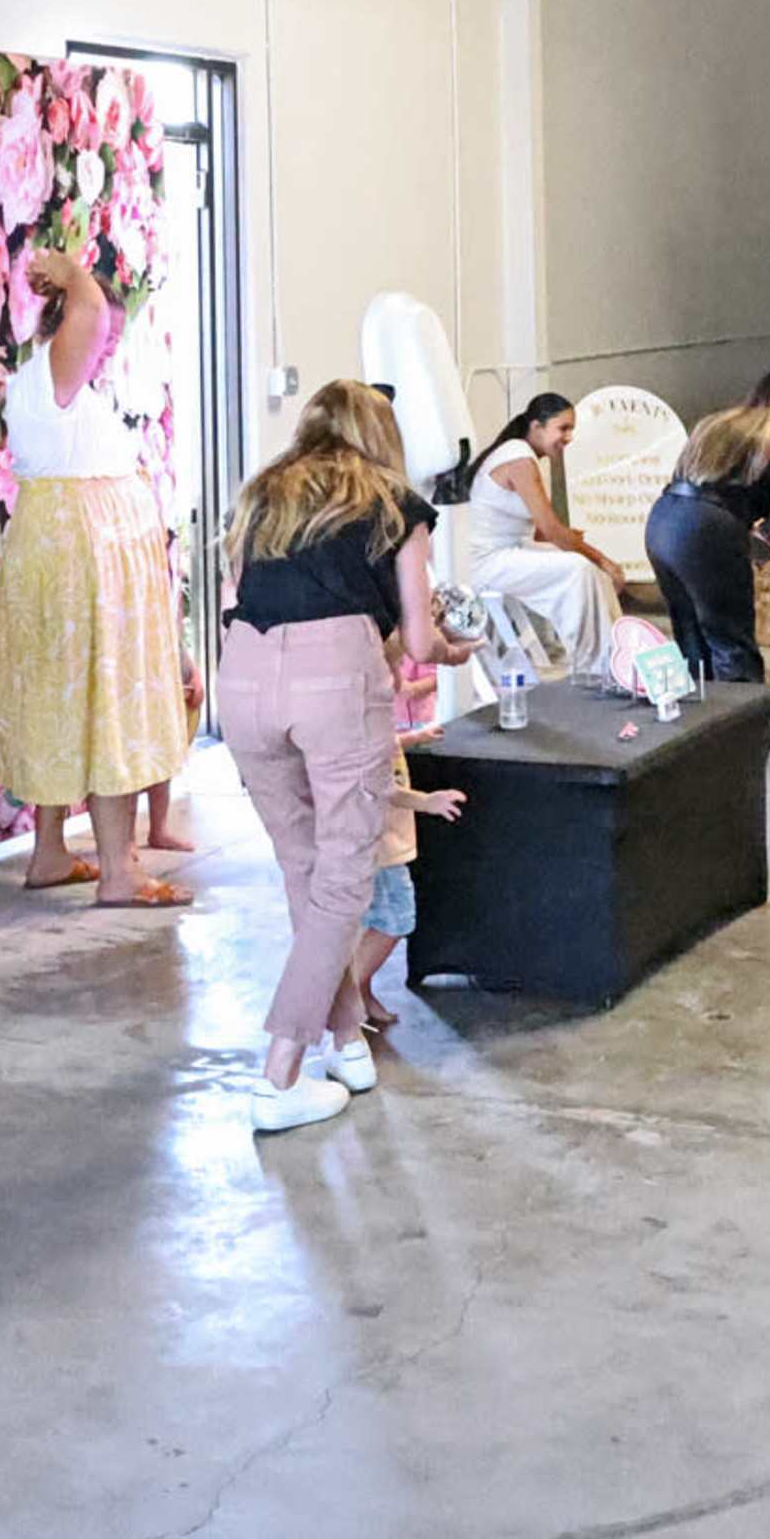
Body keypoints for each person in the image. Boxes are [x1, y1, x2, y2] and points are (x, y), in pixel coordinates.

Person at [214, 382, 472, 1133]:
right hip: (335, 678)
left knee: (304, 870)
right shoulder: (395, 503)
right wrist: (456, 647)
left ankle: (344, 1040)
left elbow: (243, 593)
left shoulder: (262, 495)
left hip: (244, 674)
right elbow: (420, 643)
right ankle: (279, 1073)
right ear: (379, 434)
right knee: (342, 883)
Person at [0, 245, 191, 905]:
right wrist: (64, 271)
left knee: (62, 696)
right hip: (82, 555)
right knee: (107, 700)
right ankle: (119, 869)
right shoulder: (55, 374)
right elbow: (89, 309)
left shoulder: (51, 388)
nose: (105, 344)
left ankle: (49, 851)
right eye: (99, 329)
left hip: (63, 546)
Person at [643, 370, 770, 685]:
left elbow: (716, 488)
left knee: (691, 638)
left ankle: (698, 722)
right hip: (708, 530)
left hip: (663, 521)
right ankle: (742, 726)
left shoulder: (717, 425)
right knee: (731, 642)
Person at [451, 394, 620, 668]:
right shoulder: (518, 458)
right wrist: (603, 559)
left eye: (571, 430)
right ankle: (595, 664)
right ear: (536, 427)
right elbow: (552, 531)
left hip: (508, 550)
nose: (569, 437)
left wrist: (576, 544)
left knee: (591, 570)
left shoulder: (521, 454)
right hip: (485, 562)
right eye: (563, 428)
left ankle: (617, 653)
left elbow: (543, 533)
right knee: (580, 568)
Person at [347, 659, 462, 1033]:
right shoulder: (361, 724)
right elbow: (378, 785)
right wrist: (427, 801)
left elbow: (387, 747)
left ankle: (359, 989)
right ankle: (349, 995)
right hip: (378, 842)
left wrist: (415, 738)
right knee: (395, 916)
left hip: (382, 840)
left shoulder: (372, 719)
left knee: (378, 917)